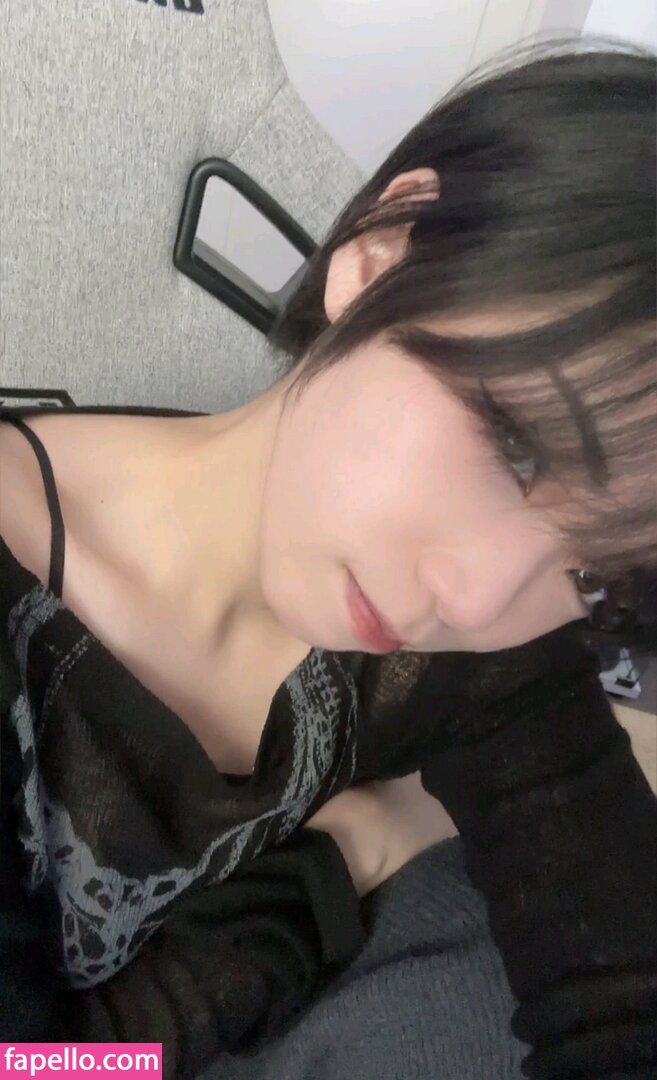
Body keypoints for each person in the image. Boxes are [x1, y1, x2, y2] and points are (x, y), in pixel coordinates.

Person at [1, 37, 656, 1080]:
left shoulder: (484, 639)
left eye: (596, 574)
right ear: (383, 250)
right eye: (516, 445)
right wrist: (319, 884)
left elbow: (620, 995)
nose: (475, 600)